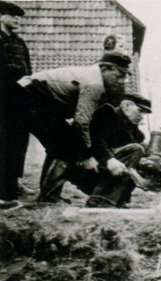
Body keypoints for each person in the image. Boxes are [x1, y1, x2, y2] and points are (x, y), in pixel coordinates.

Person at [14, 51, 131, 202]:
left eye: (125, 76)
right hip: (27, 96)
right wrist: (87, 156)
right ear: (105, 69)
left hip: (35, 97)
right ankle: (48, 198)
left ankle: (49, 195)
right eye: (119, 75)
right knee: (64, 144)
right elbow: (81, 123)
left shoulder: (97, 79)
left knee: (65, 142)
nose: (122, 81)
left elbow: (87, 126)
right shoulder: (94, 84)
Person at [41, 93, 151, 208]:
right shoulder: (106, 112)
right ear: (126, 105)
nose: (142, 116)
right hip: (79, 165)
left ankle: (104, 199)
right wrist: (109, 159)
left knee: (138, 151)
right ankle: (49, 197)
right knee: (66, 142)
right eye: (140, 110)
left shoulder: (136, 135)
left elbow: (128, 162)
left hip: (98, 175)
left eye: (145, 113)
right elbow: (95, 138)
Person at [0, 0, 31, 206]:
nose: (18, 20)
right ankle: (4, 193)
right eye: (14, 16)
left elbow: (28, 69)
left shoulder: (19, 43)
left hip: (19, 101)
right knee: (3, 144)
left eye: (19, 17)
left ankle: (14, 183)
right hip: (2, 100)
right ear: (2, 16)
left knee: (19, 142)